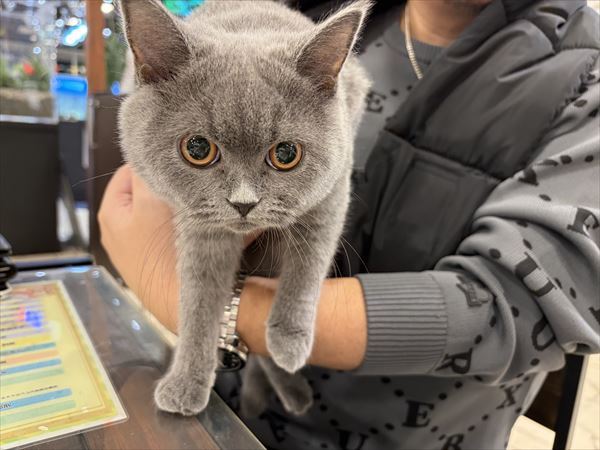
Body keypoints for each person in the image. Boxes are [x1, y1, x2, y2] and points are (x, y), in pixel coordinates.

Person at [99, 0, 600, 448]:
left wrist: (196, 303)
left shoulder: (587, 74)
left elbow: (521, 306)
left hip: (410, 434)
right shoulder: (314, 21)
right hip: (230, 411)